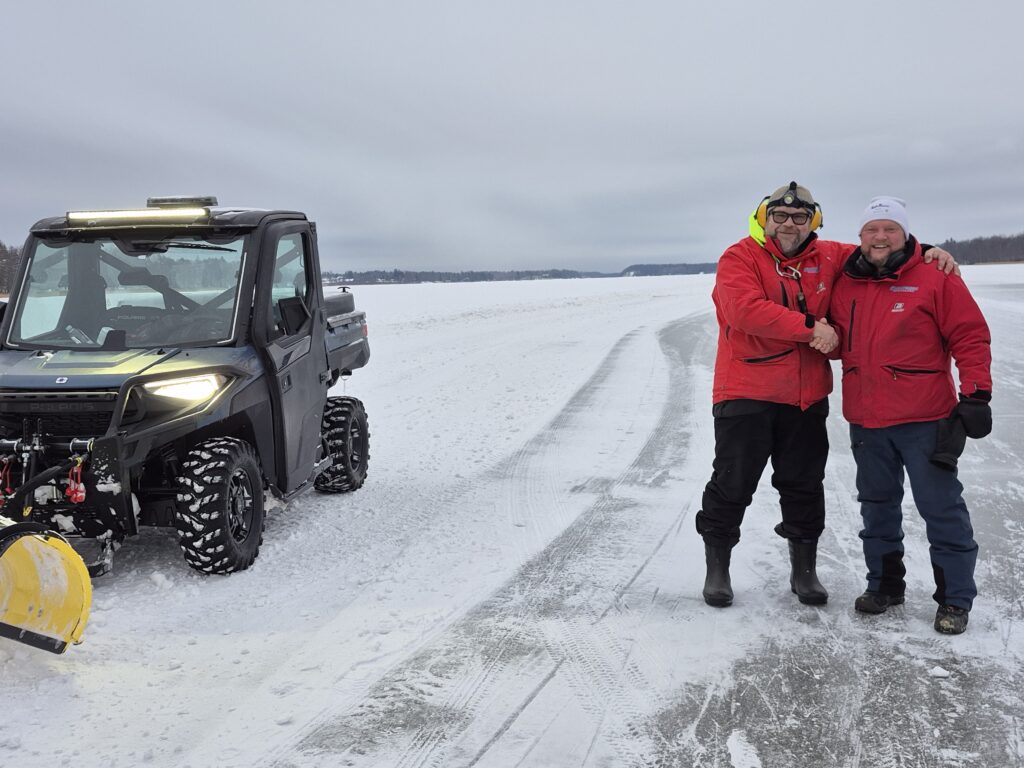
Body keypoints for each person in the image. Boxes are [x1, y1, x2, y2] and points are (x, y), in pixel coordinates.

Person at [696, 182, 956, 609]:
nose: (789, 225)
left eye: (800, 218)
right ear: (764, 219)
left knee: (803, 485)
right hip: (746, 392)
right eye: (779, 216)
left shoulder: (830, 256)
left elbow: (879, 247)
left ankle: (804, 571)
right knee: (732, 482)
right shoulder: (739, 257)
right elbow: (743, 310)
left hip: (806, 396)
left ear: (813, 221)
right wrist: (811, 329)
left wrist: (927, 250)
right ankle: (718, 568)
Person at [826, 196, 991, 634]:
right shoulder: (844, 281)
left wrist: (976, 394)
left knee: (941, 508)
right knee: (876, 507)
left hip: (926, 419)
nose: (881, 237)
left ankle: (954, 599)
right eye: (871, 230)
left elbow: (970, 336)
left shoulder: (935, 275)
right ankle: (884, 585)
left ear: (905, 234)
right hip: (866, 419)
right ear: (859, 237)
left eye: (890, 229)